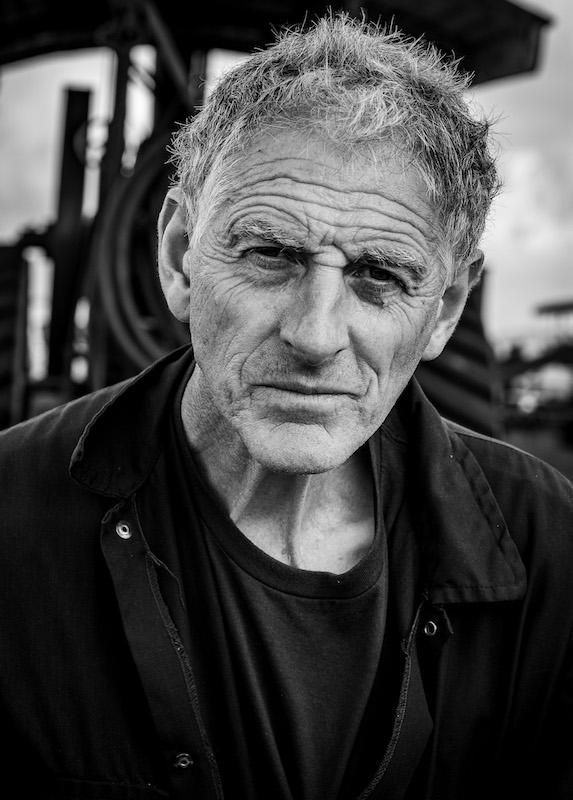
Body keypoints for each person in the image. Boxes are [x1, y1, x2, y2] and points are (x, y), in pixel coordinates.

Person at [1, 13, 572, 800]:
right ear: (179, 257)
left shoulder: (547, 547)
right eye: (270, 254)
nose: (314, 335)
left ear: (444, 308)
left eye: (379, 274)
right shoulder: (10, 516)